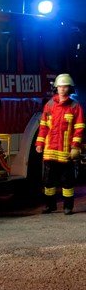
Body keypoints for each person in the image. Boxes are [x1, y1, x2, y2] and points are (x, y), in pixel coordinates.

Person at [35, 73, 85, 214]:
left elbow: (79, 128)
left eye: (65, 87)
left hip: (66, 152)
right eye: (60, 86)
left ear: (69, 88)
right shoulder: (49, 105)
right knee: (48, 181)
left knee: (67, 181)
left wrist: (75, 146)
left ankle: (68, 206)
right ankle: (49, 206)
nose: (62, 89)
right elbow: (43, 126)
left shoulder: (75, 107)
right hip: (50, 150)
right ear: (56, 88)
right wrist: (39, 143)